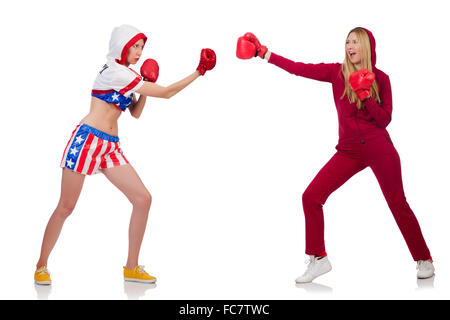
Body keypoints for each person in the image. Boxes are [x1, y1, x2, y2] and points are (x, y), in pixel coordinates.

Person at [236, 28, 434, 283]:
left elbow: (385, 120)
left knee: (397, 203)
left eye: (355, 42)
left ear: (366, 47)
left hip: (379, 147)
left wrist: (365, 95)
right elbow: (298, 68)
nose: (350, 46)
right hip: (349, 150)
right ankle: (318, 259)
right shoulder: (335, 72)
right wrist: (264, 54)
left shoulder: (382, 78)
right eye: (347, 42)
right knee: (311, 196)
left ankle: (424, 259)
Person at [34, 24, 216, 285]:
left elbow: (136, 112)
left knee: (143, 199)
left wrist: (146, 86)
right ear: (122, 45)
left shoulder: (128, 75)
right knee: (66, 207)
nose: (140, 52)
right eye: (135, 46)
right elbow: (167, 93)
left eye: (142, 47)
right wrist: (198, 72)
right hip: (87, 141)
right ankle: (41, 265)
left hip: (110, 146)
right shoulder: (117, 72)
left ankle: (131, 268)